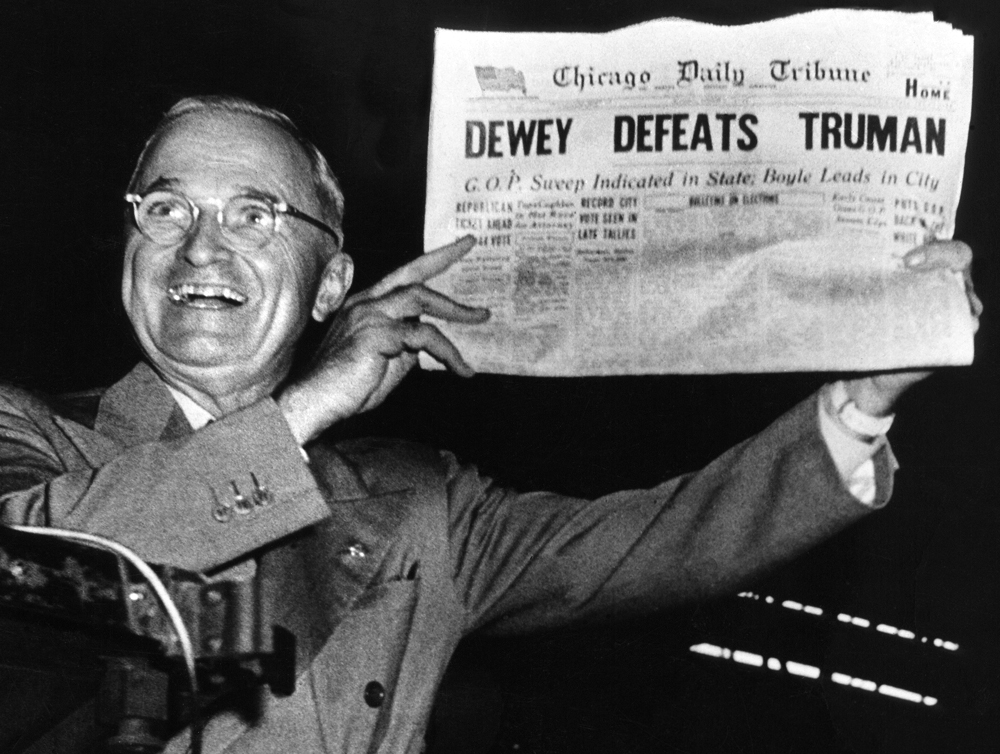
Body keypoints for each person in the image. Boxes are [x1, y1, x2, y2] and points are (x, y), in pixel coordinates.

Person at [0, 95, 980, 753]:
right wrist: (308, 404)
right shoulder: (29, 435)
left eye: (255, 214)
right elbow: (48, 563)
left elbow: (655, 542)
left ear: (330, 282)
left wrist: (860, 398)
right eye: (165, 208)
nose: (201, 245)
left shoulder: (422, 506)